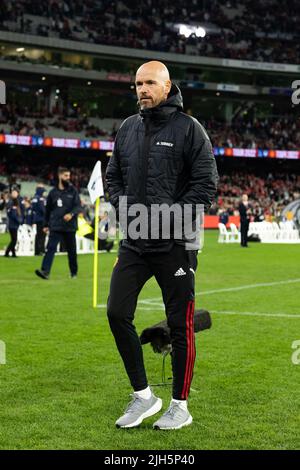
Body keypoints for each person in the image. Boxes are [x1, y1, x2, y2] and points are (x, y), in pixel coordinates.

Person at [106, 61, 218, 430]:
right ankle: (143, 396)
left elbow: (205, 186)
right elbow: (114, 178)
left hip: (176, 244)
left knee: (180, 325)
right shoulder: (127, 128)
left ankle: (180, 406)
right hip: (135, 242)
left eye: (150, 82)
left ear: (167, 86)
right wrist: (127, 212)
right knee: (116, 312)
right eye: (138, 83)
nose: (142, 89)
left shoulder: (190, 129)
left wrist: (166, 220)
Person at [35, 167, 81, 280]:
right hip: (56, 226)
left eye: (69, 176)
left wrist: (71, 214)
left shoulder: (73, 191)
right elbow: (48, 210)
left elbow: (78, 206)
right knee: (50, 248)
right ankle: (45, 271)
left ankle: (73, 273)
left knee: (71, 251)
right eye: (66, 175)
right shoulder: (53, 193)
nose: (68, 178)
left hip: (70, 227)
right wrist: (46, 225)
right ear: (60, 176)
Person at [4, 188, 24, 257]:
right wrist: (19, 220)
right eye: (13, 193)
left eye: (15, 193)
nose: (14, 194)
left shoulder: (16, 201)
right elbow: (13, 214)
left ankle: (13, 254)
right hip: (13, 224)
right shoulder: (11, 202)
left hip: (14, 223)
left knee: (13, 239)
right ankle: (7, 252)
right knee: (14, 240)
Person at [32, 184, 47, 255]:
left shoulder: (37, 198)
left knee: (41, 235)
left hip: (40, 218)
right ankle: (39, 250)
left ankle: (40, 249)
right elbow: (42, 209)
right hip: (41, 219)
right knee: (41, 235)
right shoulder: (39, 198)